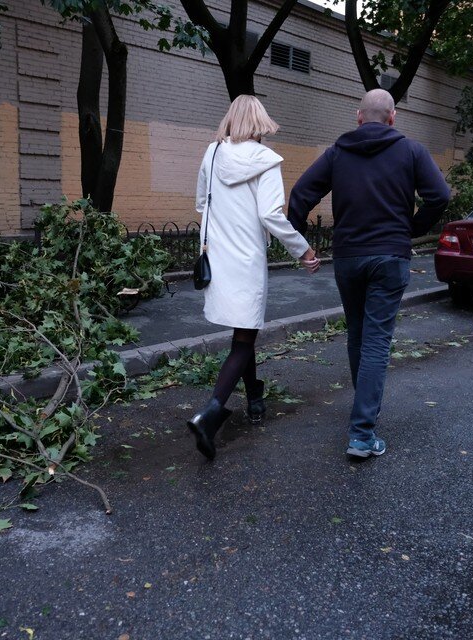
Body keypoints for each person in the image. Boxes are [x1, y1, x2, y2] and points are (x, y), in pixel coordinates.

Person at [288, 89, 450, 458]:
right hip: (390, 257)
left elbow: (300, 195)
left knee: (358, 336)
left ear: (358, 117)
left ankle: (364, 413)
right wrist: (409, 229)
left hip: (349, 257)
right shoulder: (411, 151)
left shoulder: (337, 153)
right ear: (393, 118)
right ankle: (362, 432)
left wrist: (299, 245)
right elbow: (440, 195)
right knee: (376, 340)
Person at [187, 95, 321, 461]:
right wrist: (305, 251)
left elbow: (202, 204)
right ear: (261, 123)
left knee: (242, 332)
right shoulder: (266, 160)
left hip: (217, 256)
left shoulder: (212, 153)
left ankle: (255, 397)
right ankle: (209, 415)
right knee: (244, 339)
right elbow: (272, 216)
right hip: (245, 259)